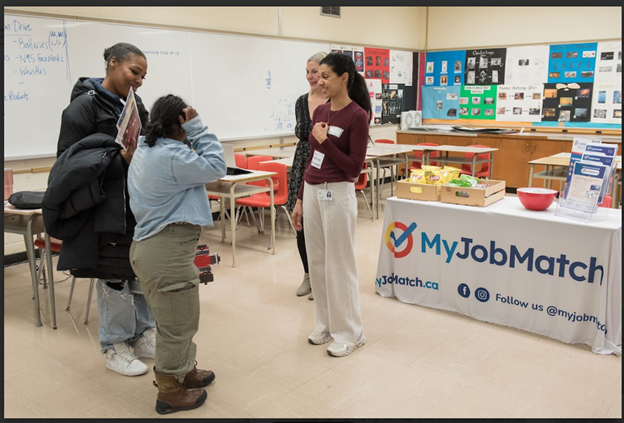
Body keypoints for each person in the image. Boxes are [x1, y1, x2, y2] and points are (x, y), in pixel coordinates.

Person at [45, 42, 156, 377]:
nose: (138, 80)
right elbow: (67, 164)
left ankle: (142, 334)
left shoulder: (134, 105)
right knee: (114, 276)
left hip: (135, 205)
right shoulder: (82, 107)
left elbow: (146, 141)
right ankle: (115, 345)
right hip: (105, 207)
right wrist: (116, 160)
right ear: (112, 63)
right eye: (134, 72)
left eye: (143, 76)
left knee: (137, 272)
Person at [128, 95, 226, 414]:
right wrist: (197, 128)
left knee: (179, 317)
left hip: (156, 249)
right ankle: (169, 390)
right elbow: (216, 166)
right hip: (166, 250)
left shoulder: (146, 149)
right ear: (179, 124)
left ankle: (183, 370)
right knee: (177, 323)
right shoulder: (171, 155)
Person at [291, 52, 371, 357]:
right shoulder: (321, 111)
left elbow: (353, 168)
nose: (319, 81)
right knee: (319, 262)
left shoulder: (357, 115)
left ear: (344, 78)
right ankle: (326, 324)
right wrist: (299, 198)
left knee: (340, 263)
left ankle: (351, 333)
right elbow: (312, 158)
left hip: (338, 192)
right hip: (312, 190)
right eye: (317, 76)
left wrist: (325, 142)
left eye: (325, 76)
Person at [287, 52, 328, 300]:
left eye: (317, 72)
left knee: (323, 223)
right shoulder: (301, 101)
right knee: (300, 221)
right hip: (302, 161)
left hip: (325, 162)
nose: (311, 77)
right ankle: (308, 274)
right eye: (308, 71)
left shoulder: (335, 100)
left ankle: (324, 276)